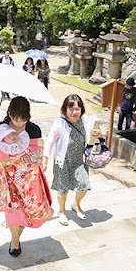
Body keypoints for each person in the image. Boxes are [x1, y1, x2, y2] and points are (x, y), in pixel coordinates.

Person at [0, 97, 53, 257]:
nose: (19, 124)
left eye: (23, 120)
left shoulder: (34, 130)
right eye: (15, 119)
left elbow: (36, 156)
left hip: (28, 181)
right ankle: (14, 241)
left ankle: (16, 236)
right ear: (9, 114)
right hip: (9, 179)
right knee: (13, 210)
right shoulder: (1, 128)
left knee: (27, 210)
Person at [44, 94, 101, 226]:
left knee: (84, 184)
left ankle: (76, 204)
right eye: (71, 109)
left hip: (79, 160)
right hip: (62, 161)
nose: (75, 112)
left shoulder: (85, 120)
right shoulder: (60, 123)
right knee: (62, 188)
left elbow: (97, 132)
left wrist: (98, 134)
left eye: (77, 109)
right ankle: (62, 211)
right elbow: (50, 141)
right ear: (65, 109)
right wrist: (45, 159)